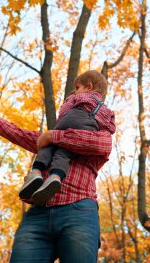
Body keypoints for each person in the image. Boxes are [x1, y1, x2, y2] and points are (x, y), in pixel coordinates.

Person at [0, 70, 115, 263]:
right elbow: (21, 134)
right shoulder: (48, 141)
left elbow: (101, 145)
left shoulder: (99, 130)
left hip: (79, 210)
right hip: (38, 212)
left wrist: (53, 136)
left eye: (76, 91)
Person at [19, 71, 116, 206]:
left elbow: (65, 110)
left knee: (50, 144)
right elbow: (111, 127)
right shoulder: (105, 109)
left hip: (73, 118)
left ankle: (35, 172)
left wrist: (61, 120)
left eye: (77, 88)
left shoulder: (79, 98)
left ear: (88, 87)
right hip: (89, 127)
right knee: (65, 151)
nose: (76, 92)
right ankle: (55, 176)